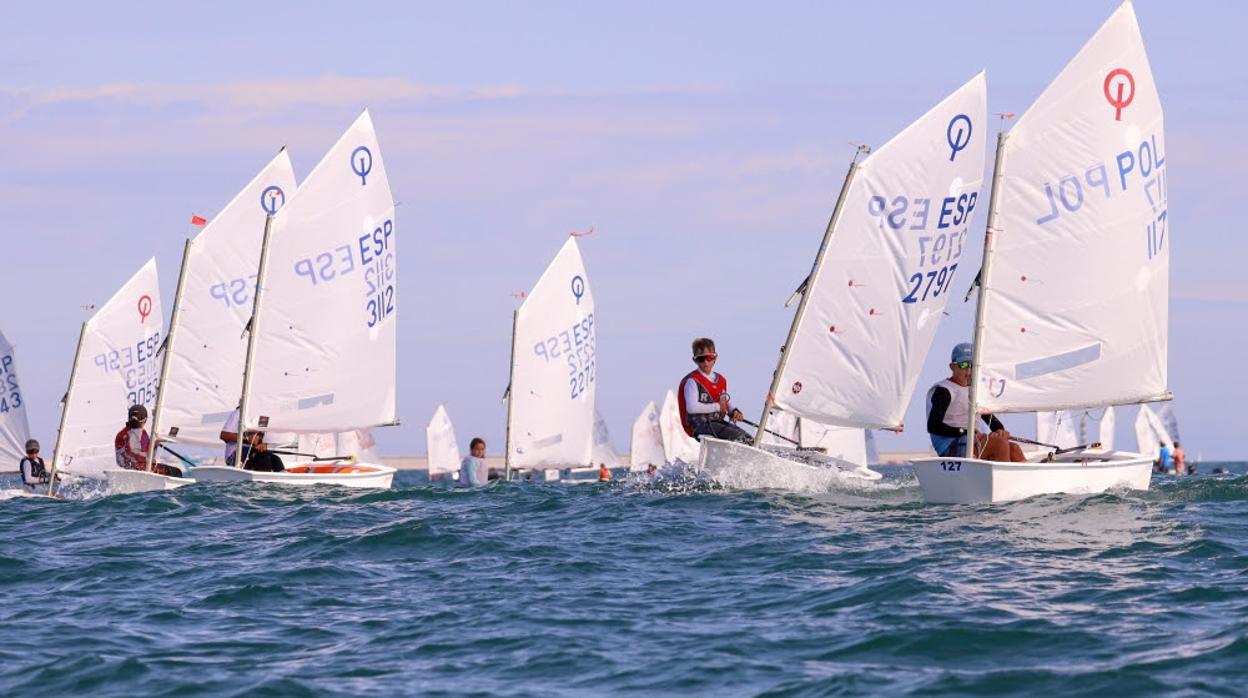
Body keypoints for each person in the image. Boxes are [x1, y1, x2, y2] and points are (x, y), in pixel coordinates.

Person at [926, 343, 1026, 462]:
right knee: (999, 444)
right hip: (949, 445)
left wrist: (999, 430)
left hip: (971, 441)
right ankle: (1003, 478)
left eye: (972, 366)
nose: (968, 371)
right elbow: (933, 426)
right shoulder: (944, 391)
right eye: (963, 365)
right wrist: (964, 431)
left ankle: (1027, 479)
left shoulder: (974, 390)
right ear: (952, 367)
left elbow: (988, 417)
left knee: (1014, 448)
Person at [678, 337, 751, 443]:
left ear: (715, 358)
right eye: (701, 359)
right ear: (695, 360)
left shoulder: (721, 380)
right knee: (739, 438)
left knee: (747, 438)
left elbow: (724, 400)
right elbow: (691, 408)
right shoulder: (692, 381)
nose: (706, 362)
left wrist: (734, 411)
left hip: (716, 422)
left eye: (709, 357)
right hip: (699, 425)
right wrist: (717, 407)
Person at [219, 407, 284, 472]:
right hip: (235, 454)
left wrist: (264, 444)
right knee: (263, 458)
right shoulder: (239, 412)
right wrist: (246, 439)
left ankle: (282, 478)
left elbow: (262, 437)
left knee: (275, 459)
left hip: (254, 453)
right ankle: (262, 480)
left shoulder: (263, 415)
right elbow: (224, 435)